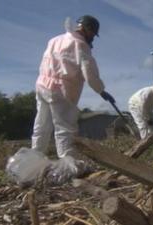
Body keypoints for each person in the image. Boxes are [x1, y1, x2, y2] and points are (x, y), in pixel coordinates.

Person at [31, 15, 115, 158]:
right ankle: (67, 165)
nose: (93, 38)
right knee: (65, 129)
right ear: (87, 29)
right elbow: (90, 74)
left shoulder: (54, 40)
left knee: (41, 127)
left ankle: (34, 160)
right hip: (61, 91)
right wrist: (101, 91)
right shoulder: (81, 45)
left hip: (42, 86)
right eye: (93, 34)